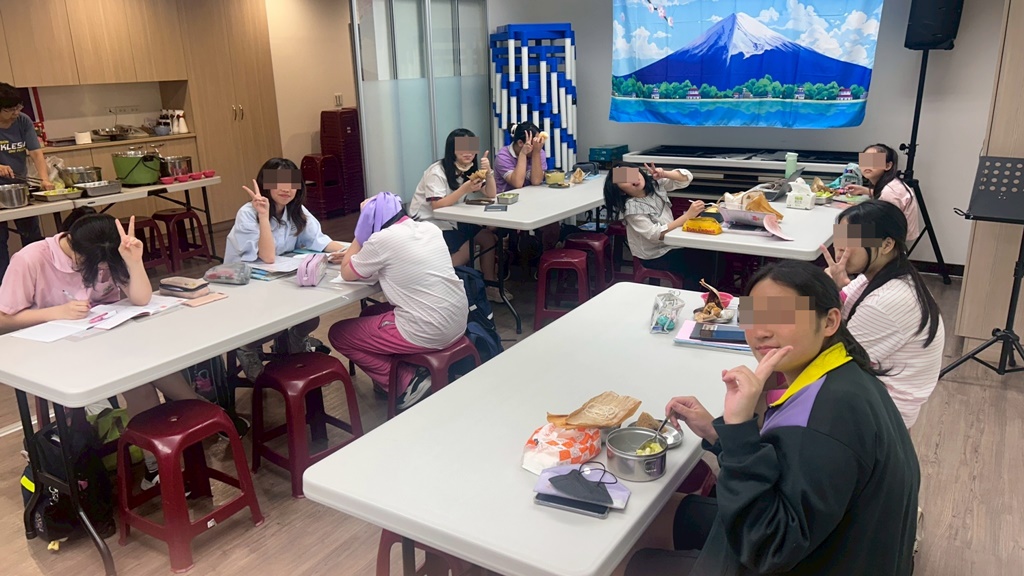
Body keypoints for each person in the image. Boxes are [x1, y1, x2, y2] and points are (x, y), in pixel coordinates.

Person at [626, 261, 919, 576]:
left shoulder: (826, 419)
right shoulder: (841, 374)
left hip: (789, 553)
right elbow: (788, 475)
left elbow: (769, 547)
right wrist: (719, 435)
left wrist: (740, 427)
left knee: (625, 560)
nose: (761, 332)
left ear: (830, 321)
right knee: (653, 517)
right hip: (821, 542)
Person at [0, 213, 206, 489]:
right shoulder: (31, 259)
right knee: (138, 380)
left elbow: (141, 298)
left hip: (102, 338)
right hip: (54, 350)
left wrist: (134, 261)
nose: (100, 270)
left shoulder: (106, 252)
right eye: (92, 264)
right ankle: (172, 447)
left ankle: (190, 423)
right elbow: (3, 318)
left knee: (150, 363)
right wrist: (54, 313)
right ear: (73, 246)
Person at [329, 192, 468, 410]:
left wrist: (360, 235)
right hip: (458, 320)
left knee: (339, 333)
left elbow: (346, 272)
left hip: (429, 329)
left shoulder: (381, 240)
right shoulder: (430, 228)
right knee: (369, 315)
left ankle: (407, 383)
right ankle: (405, 370)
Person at [821, 200, 944, 429]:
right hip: (869, 389)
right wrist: (832, 287)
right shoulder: (878, 277)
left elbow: (832, 357)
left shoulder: (886, 302)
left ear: (887, 245)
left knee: (772, 392)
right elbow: (836, 309)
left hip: (883, 412)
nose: (840, 249)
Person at [224, 157, 348, 380]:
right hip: (246, 282)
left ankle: (294, 341)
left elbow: (320, 241)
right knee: (276, 325)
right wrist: (263, 215)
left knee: (311, 317)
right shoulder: (248, 213)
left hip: (278, 278)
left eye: (292, 183)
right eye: (278, 182)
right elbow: (267, 256)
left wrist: (351, 251)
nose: (286, 189)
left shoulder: (296, 210)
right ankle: (246, 348)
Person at [410, 128, 508, 302]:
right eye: (462, 148)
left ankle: (490, 286)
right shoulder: (437, 171)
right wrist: (465, 188)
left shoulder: (468, 169)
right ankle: (435, 281)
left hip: (453, 219)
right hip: (429, 223)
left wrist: (489, 173)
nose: (468, 153)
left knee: (488, 238)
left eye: (471, 148)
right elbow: (437, 206)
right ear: (452, 150)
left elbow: (491, 194)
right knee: (468, 246)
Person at [603, 161, 709, 290]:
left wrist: (665, 174)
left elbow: (686, 178)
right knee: (696, 262)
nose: (632, 179)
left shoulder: (654, 185)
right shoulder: (632, 208)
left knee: (709, 254)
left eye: (631, 174)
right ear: (621, 192)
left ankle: (711, 291)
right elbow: (655, 235)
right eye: (624, 180)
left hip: (672, 244)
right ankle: (694, 295)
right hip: (655, 255)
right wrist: (687, 216)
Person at [0, 82, 55, 283]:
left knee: (32, 235)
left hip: (19, 188)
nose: (15, 113)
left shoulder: (23, 121)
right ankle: (5, 286)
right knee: (0, 241)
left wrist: (44, 179)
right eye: (9, 109)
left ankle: (39, 281)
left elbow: (36, 153)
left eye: (18, 107)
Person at [495, 121, 561, 270]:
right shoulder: (503, 156)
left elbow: (536, 181)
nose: (538, 144)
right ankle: (513, 257)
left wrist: (536, 153)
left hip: (532, 201)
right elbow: (517, 183)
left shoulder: (538, 151)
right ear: (520, 143)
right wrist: (523, 154)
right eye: (535, 142)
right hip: (507, 204)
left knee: (552, 223)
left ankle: (544, 261)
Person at [844, 143, 921, 245]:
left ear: (888, 166)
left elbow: (885, 228)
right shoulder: (892, 183)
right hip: (897, 233)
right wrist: (864, 190)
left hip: (896, 240)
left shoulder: (889, 193)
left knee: (842, 234)